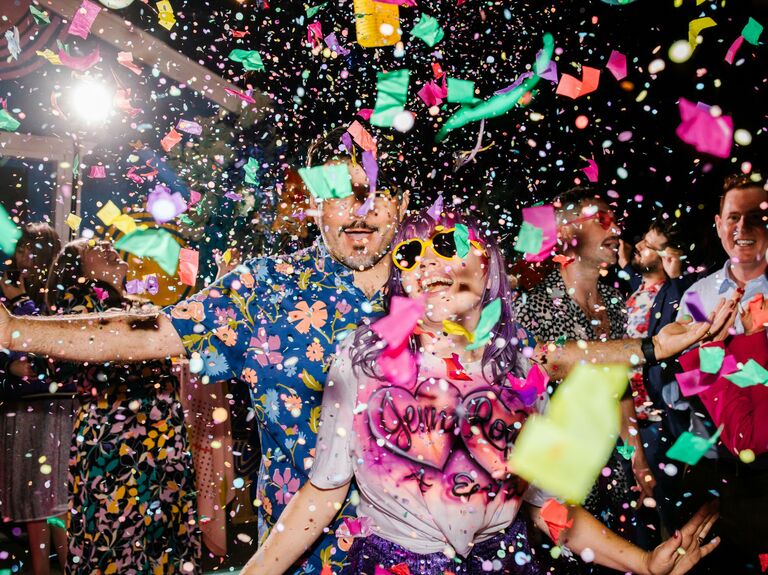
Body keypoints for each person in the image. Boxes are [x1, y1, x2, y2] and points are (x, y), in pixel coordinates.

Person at [0, 134, 728, 573]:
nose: (355, 209)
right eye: (335, 193)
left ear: (401, 202)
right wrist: (14, 332)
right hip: (309, 555)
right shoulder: (267, 291)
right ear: (310, 204)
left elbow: (543, 422)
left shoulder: (461, 317)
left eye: (372, 193)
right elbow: (155, 332)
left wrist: (654, 347)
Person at [239, 208, 721, 575]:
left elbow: (544, 504)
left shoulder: (519, 371)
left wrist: (641, 562)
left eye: (446, 245)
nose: (427, 263)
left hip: (505, 562)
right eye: (410, 255)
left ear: (487, 263)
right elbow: (323, 492)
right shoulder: (362, 361)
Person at [45, 239, 201, 574]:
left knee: (162, 532)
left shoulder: (139, 303)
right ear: (78, 269)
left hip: (160, 437)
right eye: (92, 247)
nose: (105, 244)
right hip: (116, 441)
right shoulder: (77, 299)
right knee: (116, 534)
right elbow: (64, 360)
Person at [513, 187, 650, 556]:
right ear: (567, 232)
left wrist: (639, 465)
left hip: (612, 471)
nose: (616, 227)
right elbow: (525, 401)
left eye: (615, 218)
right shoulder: (532, 306)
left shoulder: (617, 303)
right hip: (560, 479)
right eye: (601, 218)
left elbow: (618, 388)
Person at [670, 172, 768, 573]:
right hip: (716, 461)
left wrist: (728, 352)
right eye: (733, 217)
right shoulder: (698, 294)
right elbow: (690, 384)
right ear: (718, 223)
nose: (741, 229)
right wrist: (732, 354)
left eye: (755, 217)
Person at [618, 215, 698, 536]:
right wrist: (626, 263)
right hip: (629, 425)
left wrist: (677, 276)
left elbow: (685, 313)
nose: (639, 246)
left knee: (672, 505)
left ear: (668, 258)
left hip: (662, 424)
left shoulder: (676, 293)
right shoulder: (637, 290)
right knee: (635, 498)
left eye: (648, 246)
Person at [0, 222, 68, 575]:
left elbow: (50, 341)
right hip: (17, 404)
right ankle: (42, 569)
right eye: (22, 247)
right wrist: (8, 364)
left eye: (33, 250)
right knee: (30, 492)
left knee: (56, 491)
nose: (24, 256)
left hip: (53, 403)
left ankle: (70, 563)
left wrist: (19, 301)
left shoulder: (54, 295)